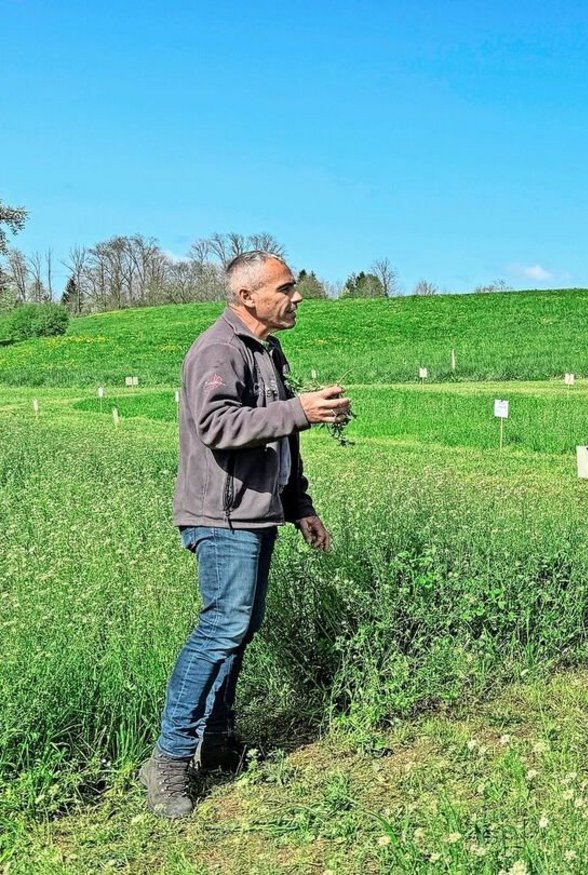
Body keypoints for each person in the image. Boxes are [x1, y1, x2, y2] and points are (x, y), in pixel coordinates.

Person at [142, 251, 351, 819]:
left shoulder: (265, 350)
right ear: (247, 297)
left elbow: (282, 439)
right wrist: (299, 411)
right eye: (286, 288)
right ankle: (167, 759)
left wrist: (298, 504)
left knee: (239, 627)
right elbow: (217, 426)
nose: (298, 295)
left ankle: (217, 739)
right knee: (221, 627)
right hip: (222, 517)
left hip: (257, 512)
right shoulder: (220, 349)